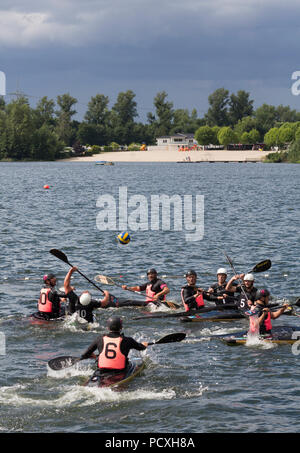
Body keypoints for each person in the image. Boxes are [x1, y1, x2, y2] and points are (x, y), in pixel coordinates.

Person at [80, 316, 148, 376]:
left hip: (102, 370)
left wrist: (94, 356)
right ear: (121, 327)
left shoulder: (100, 339)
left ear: (108, 327)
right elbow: (141, 348)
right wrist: (144, 345)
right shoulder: (128, 340)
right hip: (120, 371)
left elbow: (85, 355)